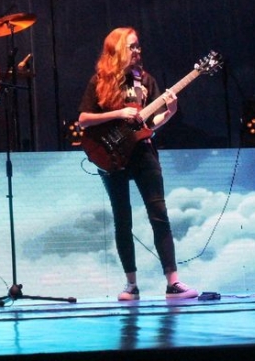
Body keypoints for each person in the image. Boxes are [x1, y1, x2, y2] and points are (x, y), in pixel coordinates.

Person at [77, 27, 200, 302]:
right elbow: (83, 119)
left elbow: (150, 124)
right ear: (117, 50)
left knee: (159, 215)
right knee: (122, 219)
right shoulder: (99, 82)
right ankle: (131, 285)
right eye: (131, 46)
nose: (137, 51)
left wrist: (170, 112)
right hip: (110, 155)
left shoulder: (145, 81)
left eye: (138, 46)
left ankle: (173, 283)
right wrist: (119, 113)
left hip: (143, 152)